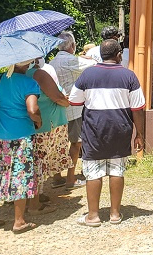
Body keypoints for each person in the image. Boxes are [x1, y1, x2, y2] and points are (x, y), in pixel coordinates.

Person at [69, 39, 145, 227]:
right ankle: (115, 214)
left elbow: (75, 101)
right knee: (117, 170)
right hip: (120, 129)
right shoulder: (129, 76)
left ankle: (93, 216)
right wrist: (139, 134)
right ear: (119, 54)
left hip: (94, 130)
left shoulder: (87, 75)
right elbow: (138, 108)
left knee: (93, 172)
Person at [0, 60, 41, 234]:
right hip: (22, 135)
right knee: (20, 174)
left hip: (0, 134)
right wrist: (39, 120)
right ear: (26, 64)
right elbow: (32, 109)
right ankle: (19, 221)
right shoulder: (29, 82)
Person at [49, 31, 96, 189]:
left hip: (56, 109)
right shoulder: (71, 60)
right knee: (76, 143)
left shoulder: (52, 63)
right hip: (73, 108)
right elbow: (94, 64)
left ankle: (56, 177)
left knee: (57, 143)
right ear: (73, 46)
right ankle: (71, 178)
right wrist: (87, 57)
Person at [26, 59, 71, 213]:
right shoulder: (39, 74)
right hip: (46, 124)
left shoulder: (11, 76)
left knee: (31, 161)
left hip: (27, 126)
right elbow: (57, 97)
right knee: (39, 162)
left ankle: (31, 195)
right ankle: (35, 201)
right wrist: (67, 102)